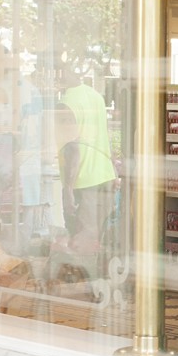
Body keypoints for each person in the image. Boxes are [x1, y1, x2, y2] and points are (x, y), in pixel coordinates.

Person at [56, 64, 118, 253]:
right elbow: (104, 134)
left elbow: (73, 149)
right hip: (104, 176)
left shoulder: (66, 104)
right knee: (97, 241)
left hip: (83, 183)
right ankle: (99, 280)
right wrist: (113, 168)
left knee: (81, 245)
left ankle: (85, 281)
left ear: (61, 72)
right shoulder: (95, 96)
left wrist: (67, 190)